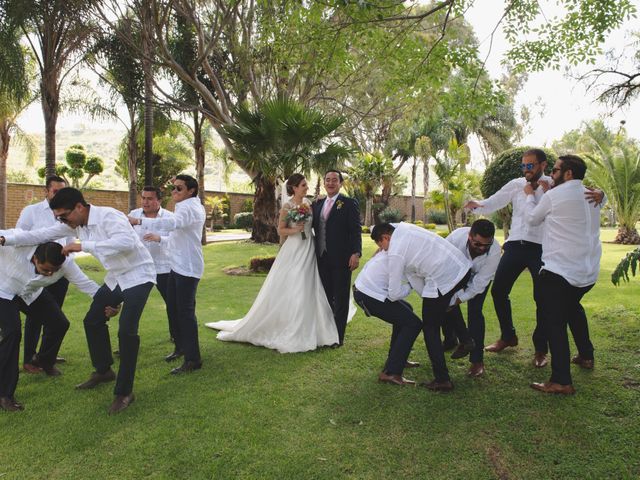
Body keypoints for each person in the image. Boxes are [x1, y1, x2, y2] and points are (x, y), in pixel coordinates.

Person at [1, 187, 156, 414]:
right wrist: (6, 238)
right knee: (92, 320)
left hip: (139, 275)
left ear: (79, 207)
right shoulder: (74, 224)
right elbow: (37, 235)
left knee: (126, 331)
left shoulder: (109, 216)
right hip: (115, 278)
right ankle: (103, 371)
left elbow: (126, 243)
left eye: (64, 216)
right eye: (58, 218)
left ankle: (124, 392)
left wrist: (83, 246)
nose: (62, 222)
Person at [205, 173, 339, 352]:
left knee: (309, 283)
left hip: (309, 247)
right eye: (303, 185)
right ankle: (292, 324)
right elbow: (280, 230)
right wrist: (294, 229)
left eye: (306, 185)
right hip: (294, 248)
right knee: (296, 283)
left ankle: (314, 324)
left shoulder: (308, 203)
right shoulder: (287, 206)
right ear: (293, 188)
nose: (307, 187)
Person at [465, 148, 553, 367]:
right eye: (523, 166)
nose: (526, 170)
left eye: (530, 165)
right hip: (515, 245)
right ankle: (508, 336)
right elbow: (494, 201)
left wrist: (602, 195)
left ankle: (541, 348)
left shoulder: (553, 184)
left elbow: (578, 192)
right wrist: (477, 204)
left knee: (542, 299)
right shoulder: (515, 185)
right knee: (498, 291)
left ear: (542, 165)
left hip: (541, 248)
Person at [525, 155, 601, 394]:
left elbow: (532, 220)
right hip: (587, 274)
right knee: (573, 310)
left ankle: (561, 380)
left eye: (556, 170)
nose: (552, 174)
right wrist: (603, 194)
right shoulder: (593, 195)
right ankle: (586, 356)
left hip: (560, 272)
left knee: (555, 323)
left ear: (568, 174)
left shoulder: (554, 195)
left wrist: (529, 194)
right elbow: (601, 196)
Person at [0, 241, 106, 411]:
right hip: (4, 291)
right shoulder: (15, 248)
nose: (49, 274)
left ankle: (43, 360)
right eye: (45, 270)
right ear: (35, 259)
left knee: (59, 324)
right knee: (12, 333)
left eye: (54, 271)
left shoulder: (66, 264)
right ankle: (4, 394)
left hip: (31, 293)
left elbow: (86, 284)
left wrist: (109, 302)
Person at [375, 222, 472, 392]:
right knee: (443, 304)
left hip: (444, 276)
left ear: (386, 237)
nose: (383, 250)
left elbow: (394, 292)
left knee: (430, 328)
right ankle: (465, 340)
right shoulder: (405, 228)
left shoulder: (396, 251)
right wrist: (429, 300)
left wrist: (424, 298)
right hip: (461, 269)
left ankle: (443, 379)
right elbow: (416, 279)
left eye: (381, 245)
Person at [130, 175, 206, 374]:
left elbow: (172, 225)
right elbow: (175, 238)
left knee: (185, 312)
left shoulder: (189, 207)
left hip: (187, 268)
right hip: (176, 265)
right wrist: (159, 239)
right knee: (173, 307)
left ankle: (193, 359)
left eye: (178, 188)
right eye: (173, 188)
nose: (174, 192)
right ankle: (181, 347)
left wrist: (139, 221)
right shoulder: (184, 205)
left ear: (191, 190)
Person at [16, 175, 74, 373]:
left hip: (59, 272)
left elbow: (69, 240)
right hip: (37, 271)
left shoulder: (67, 214)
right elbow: (20, 237)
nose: (59, 195)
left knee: (55, 316)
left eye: (62, 191)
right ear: (46, 191)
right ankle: (29, 359)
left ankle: (46, 357)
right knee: (35, 317)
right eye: (56, 191)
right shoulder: (31, 212)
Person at [353, 242, 422, 386]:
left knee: (407, 310)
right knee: (413, 323)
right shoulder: (396, 257)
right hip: (366, 294)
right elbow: (395, 294)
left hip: (367, 290)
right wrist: (411, 285)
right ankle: (390, 372)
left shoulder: (395, 251)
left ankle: (396, 360)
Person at [443, 220, 501, 377]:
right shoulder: (455, 238)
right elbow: (441, 260)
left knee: (475, 311)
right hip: (456, 272)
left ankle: (477, 361)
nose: (482, 248)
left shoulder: (494, 251)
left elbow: (479, 284)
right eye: (477, 244)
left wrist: (459, 299)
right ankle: (450, 340)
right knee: (443, 301)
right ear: (469, 236)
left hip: (480, 278)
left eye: (486, 245)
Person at [312, 170, 362, 346]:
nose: (331, 183)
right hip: (321, 258)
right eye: (327, 180)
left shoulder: (348, 203)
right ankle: (326, 333)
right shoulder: (317, 204)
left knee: (340, 300)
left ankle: (337, 337)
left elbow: (355, 230)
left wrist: (356, 253)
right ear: (324, 183)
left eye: (334, 180)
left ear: (340, 183)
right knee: (325, 298)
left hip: (342, 259)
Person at [129, 186, 176, 356]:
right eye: (143, 198)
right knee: (133, 305)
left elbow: (178, 241)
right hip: (140, 268)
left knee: (172, 303)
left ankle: (177, 337)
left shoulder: (170, 218)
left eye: (149, 198)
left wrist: (160, 238)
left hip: (164, 267)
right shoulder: (133, 215)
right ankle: (129, 340)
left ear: (159, 200)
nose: (145, 202)